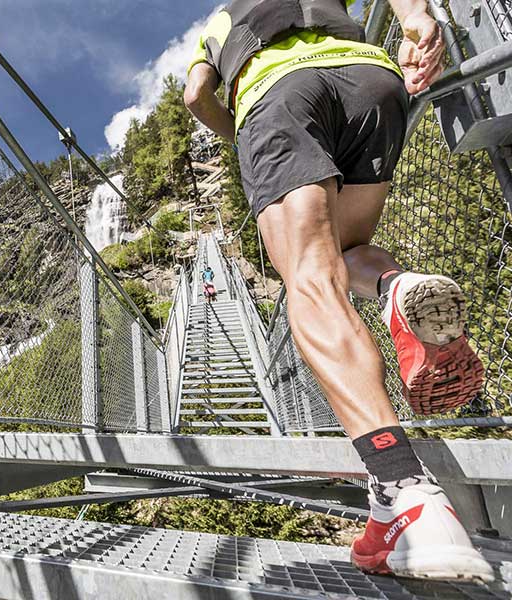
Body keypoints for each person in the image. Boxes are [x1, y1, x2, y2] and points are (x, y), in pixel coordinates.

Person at [184, 0, 493, 583]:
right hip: (372, 83)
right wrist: (416, 18)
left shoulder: (221, 21)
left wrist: (243, 133)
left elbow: (196, 95)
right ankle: (396, 285)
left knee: (310, 279)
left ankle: (406, 491)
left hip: (279, 97)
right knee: (344, 253)